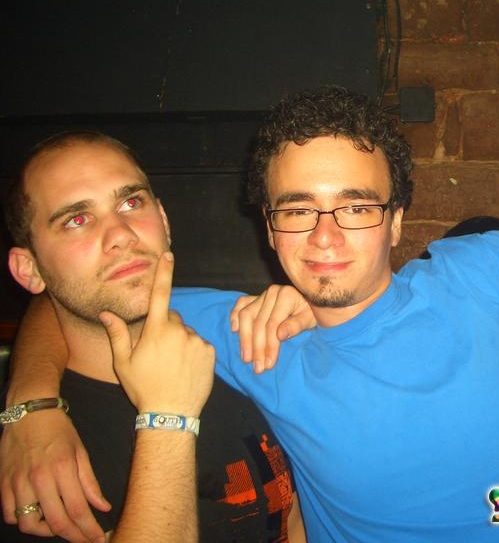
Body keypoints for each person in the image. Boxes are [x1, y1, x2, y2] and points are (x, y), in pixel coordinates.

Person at [3, 87, 499, 542]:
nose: (324, 238)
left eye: (355, 207)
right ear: (267, 227)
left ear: (395, 221)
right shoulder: (249, 333)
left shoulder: (474, 272)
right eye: (296, 210)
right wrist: (30, 404)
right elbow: (83, 294)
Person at [0, 132, 301, 542]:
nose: (121, 234)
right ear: (29, 269)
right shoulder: (29, 463)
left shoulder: (241, 342)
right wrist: (168, 416)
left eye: (130, 203)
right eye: (77, 220)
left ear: (163, 220)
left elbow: (290, 519)